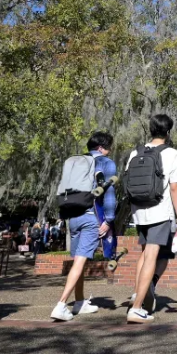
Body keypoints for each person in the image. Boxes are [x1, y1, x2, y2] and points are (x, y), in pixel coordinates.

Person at [50, 132, 117, 321]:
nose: (109, 151)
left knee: (78, 261)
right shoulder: (105, 162)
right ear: (101, 148)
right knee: (80, 261)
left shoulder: (77, 162)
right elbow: (109, 192)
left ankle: (79, 301)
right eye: (109, 148)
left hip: (73, 216)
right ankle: (61, 304)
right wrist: (109, 220)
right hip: (90, 217)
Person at [126, 114, 177, 324]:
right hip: (160, 211)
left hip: (139, 212)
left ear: (150, 130)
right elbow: (175, 187)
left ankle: (137, 294)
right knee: (152, 256)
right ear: (168, 133)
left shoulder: (136, 152)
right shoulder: (172, 154)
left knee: (143, 255)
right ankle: (135, 309)